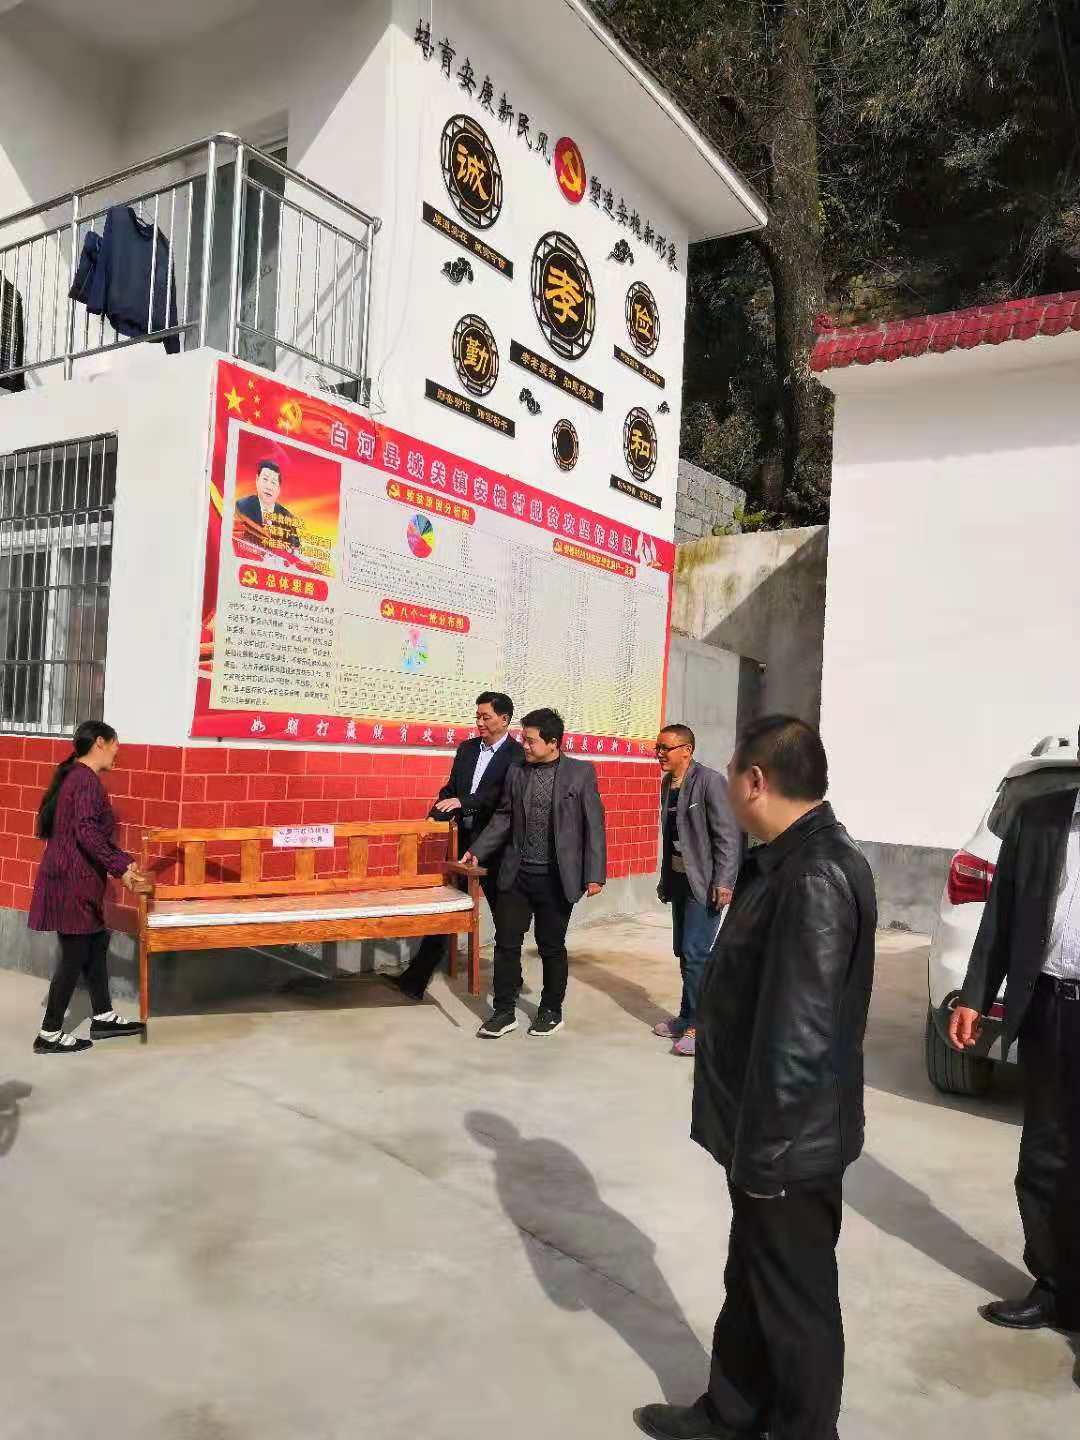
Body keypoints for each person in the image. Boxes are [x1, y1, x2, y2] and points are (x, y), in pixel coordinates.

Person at [636, 716, 877, 1440]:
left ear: (755, 781)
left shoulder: (814, 876)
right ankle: (732, 1413)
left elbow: (801, 1039)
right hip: (766, 1133)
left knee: (797, 1303)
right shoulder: (784, 860)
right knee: (751, 1280)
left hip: (789, 1142)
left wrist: (768, 1156)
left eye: (734, 771)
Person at [950, 781, 1080, 1333]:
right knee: (1044, 1155)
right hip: (1049, 1006)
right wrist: (975, 996)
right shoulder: (1040, 816)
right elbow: (1001, 913)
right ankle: (1055, 1290)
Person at [464, 707, 606, 1039]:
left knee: (551, 946)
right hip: (517, 874)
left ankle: (551, 1010)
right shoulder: (517, 771)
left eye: (530, 741)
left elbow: (594, 825)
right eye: (523, 739)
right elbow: (503, 817)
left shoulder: (580, 773)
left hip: (556, 878)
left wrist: (595, 873)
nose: (524, 746)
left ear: (553, 742)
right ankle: (503, 1012)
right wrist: (478, 849)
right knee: (506, 944)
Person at [390, 691, 524, 1000]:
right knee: (447, 907)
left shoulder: (516, 756)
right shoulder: (467, 749)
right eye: (477, 716)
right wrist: (433, 817)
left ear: (504, 719)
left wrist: (465, 802)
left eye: (486, 717)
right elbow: (450, 789)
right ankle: (415, 980)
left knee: (505, 916)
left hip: (496, 847)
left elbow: (500, 797)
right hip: (462, 842)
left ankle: (512, 979)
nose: (480, 722)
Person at [28, 721, 150, 1055]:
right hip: (72, 882)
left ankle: (103, 1016)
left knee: (95, 945)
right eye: (115, 743)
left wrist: (120, 863)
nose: (118, 750)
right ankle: (49, 1033)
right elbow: (87, 832)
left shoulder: (77, 776)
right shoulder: (84, 780)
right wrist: (121, 866)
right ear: (100, 742)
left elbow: (87, 833)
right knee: (74, 956)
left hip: (76, 879)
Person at [654, 724, 741, 1057]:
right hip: (679, 879)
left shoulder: (710, 782)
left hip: (704, 882)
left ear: (686, 750)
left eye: (666, 748)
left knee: (696, 953)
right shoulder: (668, 784)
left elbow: (727, 836)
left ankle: (700, 1026)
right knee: (684, 950)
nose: (659, 754)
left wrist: (725, 881)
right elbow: (670, 838)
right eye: (657, 748)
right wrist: (665, 878)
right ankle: (686, 1016)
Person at [235, 458, 299, 552]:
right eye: (265, 479)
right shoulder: (242, 506)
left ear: (278, 489)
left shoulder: (288, 518)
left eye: (273, 482)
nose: (269, 487)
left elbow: (295, 550)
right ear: (257, 480)